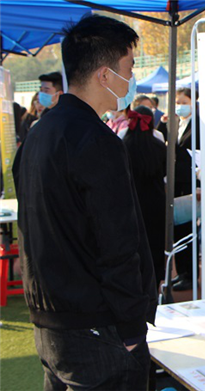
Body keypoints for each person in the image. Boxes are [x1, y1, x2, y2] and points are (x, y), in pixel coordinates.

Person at [12, 15, 157, 390]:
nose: (132, 76)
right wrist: (129, 327)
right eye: (128, 67)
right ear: (105, 75)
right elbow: (117, 241)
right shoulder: (95, 140)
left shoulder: (38, 134)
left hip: (52, 322)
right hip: (96, 326)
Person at [157, 87, 201, 291]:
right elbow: (160, 139)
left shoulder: (200, 125)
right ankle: (182, 272)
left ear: (194, 102)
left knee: (189, 230)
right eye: (177, 102)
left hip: (192, 184)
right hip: (176, 184)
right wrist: (165, 122)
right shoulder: (176, 123)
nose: (179, 106)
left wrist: (200, 185)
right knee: (177, 230)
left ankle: (190, 275)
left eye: (183, 102)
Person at [122, 106, 167, 288]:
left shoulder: (122, 145)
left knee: (132, 245)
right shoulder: (158, 146)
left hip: (130, 202)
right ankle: (155, 284)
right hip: (155, 202)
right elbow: (164, 174)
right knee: (155, 244)